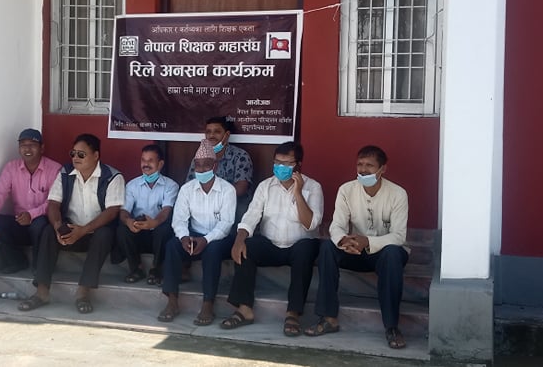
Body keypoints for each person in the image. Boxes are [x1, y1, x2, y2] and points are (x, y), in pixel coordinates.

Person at [303, 145, 410, 350]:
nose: (363, 170)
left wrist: (367, 242)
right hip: (355, 249)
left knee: (392, 254)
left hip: (385, 253)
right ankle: (328, 318)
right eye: (360, 164)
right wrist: (344, 241)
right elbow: (336, 226)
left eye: (370, 165)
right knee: (327, 248)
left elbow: (399, 236)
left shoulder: (398, 194)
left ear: (383, 169)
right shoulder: (347, 190)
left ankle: (392, 327)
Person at [220, 142, 322, 337]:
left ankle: (293, 313)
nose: (281, 167)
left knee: (305, 250)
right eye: (277, 162)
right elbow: (251, 215)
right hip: (271, 244)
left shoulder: (313, 187)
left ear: (298, 165)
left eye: (287, 163)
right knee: (247, 247)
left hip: (299, 245)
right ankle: (244, 309)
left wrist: (298, 192)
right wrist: (240, 238)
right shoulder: (265, 186)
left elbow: (311, 224)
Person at [17, 134, 125, 315]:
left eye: (81, 154)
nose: (75, 158)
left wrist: (84, 230)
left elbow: (112, 211)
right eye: (73, 153)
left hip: (96, 233)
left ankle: (83, 292)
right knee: (47, 230)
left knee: (104, 233)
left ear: (96, 156)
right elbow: (53, 204)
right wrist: (58, 226)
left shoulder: (112, 177)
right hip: (72, 230)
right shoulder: (65, 173)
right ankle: (42, 292)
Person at [157, 140, 236, 326]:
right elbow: (179, 220)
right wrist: (184, 237)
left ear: (215, 166)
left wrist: (206, 240)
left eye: (206, 165)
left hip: (219, 238)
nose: (200, 170)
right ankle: (172, 300)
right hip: (194, 234)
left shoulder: (227, 190)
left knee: (213, 250)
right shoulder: (187, 189)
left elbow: (226, 224)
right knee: (172, 245)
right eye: (197, 165)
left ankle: (208, 303)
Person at [0, 128, 62, 274]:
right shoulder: (11, 168)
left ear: (42, 148)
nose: (27, 149)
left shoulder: (54, 169)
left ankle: (40, 268)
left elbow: (54, 202)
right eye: (23, 145)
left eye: (32, 145)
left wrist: (31, 215)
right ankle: (17, 262)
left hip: (42, 223)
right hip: (20, 222)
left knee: (40, 224)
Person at [116, 144, 179, 285]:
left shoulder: (171, 186)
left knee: (164, 229)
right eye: (143, 160)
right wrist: (129, 222)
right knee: (122, 229)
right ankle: (136, 269)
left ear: (160, 164)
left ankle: (156, 269)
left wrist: (154, 223)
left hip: (158, 233)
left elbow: (166, 211)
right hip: (138, 231)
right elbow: (124, 211)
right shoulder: (132, 185)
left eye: (150, 160)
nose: (146, 164)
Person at [186, 116, 253, 213]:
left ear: (227, 135)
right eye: (208, 132)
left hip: (232, 207)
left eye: (217, 132)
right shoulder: (199, 158)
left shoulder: (240, 156)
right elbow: (189, 186)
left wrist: (214, 199)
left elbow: (241, 189)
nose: (211, 136)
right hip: (202, 205)